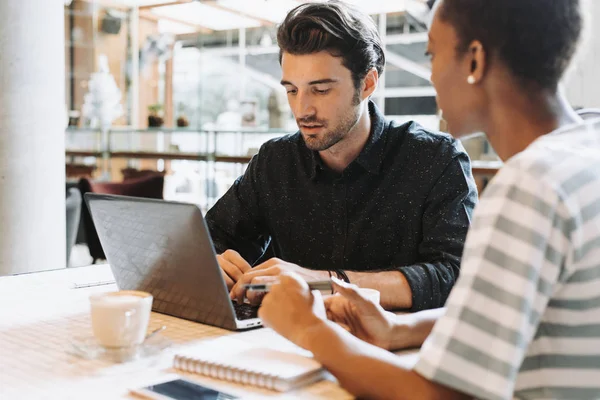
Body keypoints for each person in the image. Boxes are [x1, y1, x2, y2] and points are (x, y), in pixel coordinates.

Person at [259, 0, 600, 399]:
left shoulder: (530, 186)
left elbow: (441, 396)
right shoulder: (584, 149)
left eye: (432, 55)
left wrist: (309, 329)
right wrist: (399, 329)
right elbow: (518, 317)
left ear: (474, 61)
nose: (432, 75)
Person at [206, 1, 478, 311]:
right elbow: (210, 239)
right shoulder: (275, 162)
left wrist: (323, 283)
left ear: (367, 84)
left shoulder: (435, 159)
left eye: (320, 89)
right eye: (292, 90)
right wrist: (211, 264)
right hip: (278, 343)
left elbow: (455, 277)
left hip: (390, 351)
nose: (302, 110)